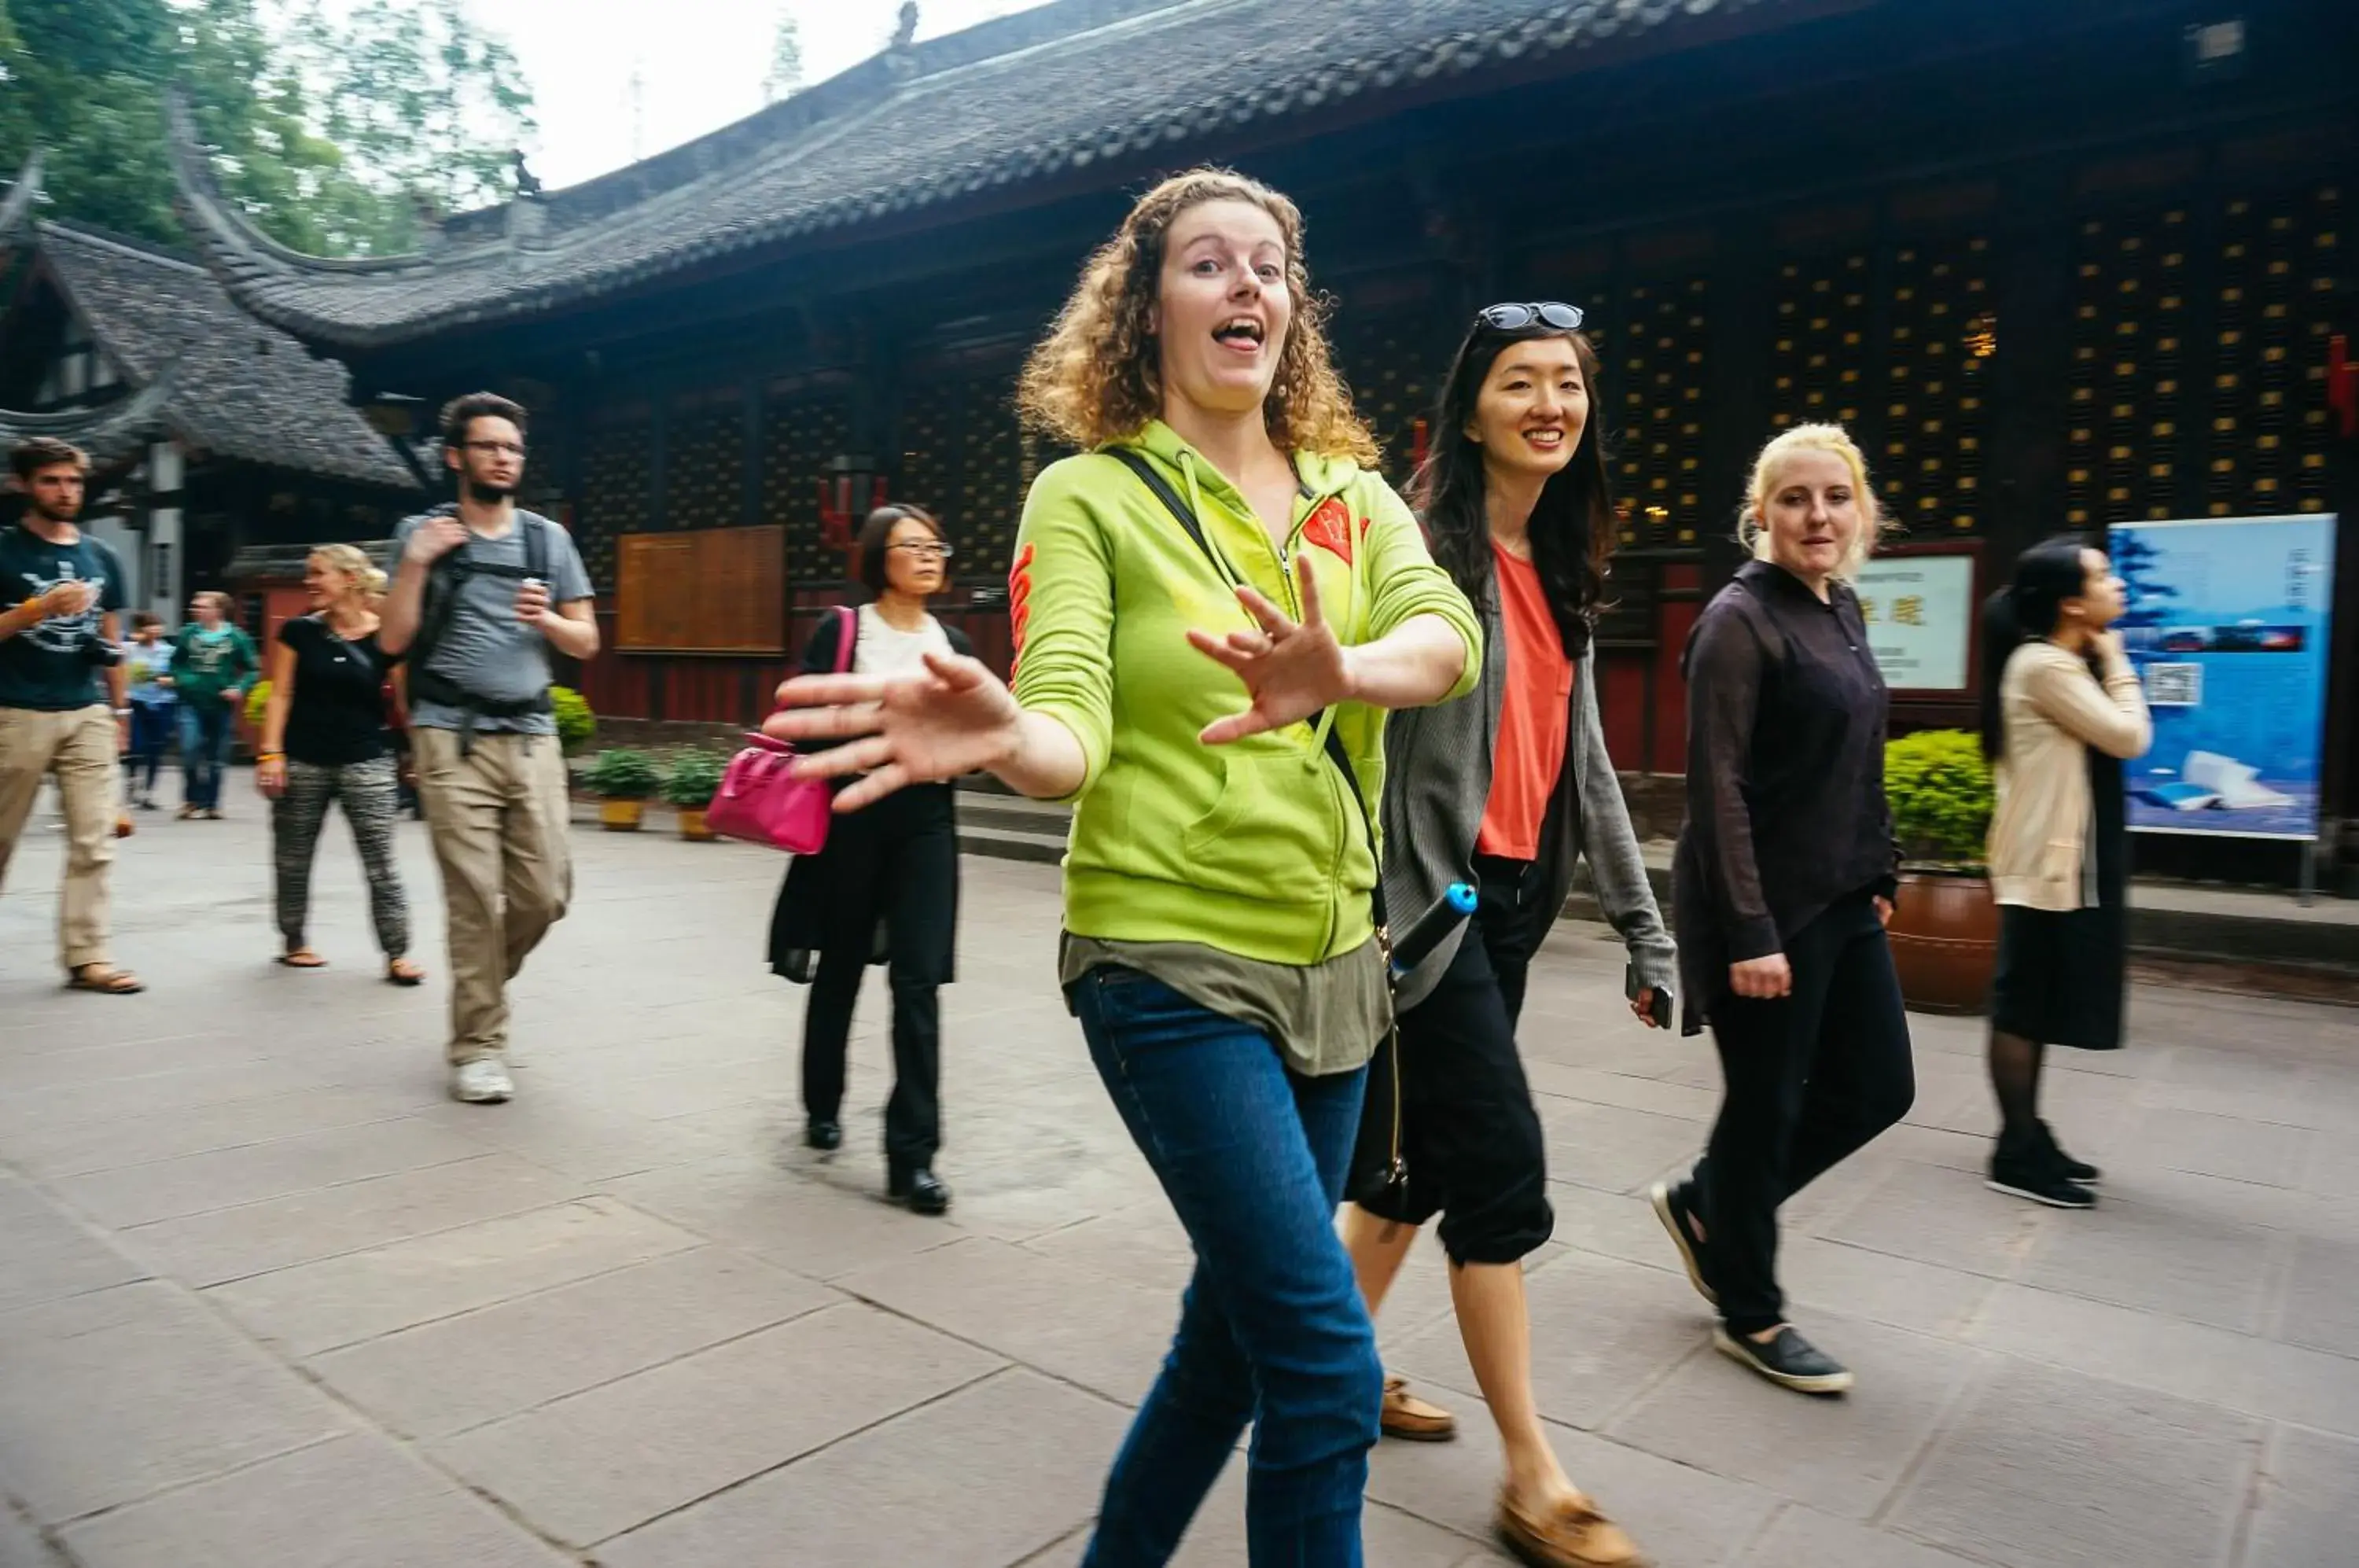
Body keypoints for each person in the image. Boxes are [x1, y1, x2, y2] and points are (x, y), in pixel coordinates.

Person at [765, 169, 1481, 1566]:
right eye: (1209, 264)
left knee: (1232, 1342)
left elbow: (1445, 637)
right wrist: (1004, 735)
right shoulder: (1084, 494)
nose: (1246, 287)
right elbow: (1072, 721)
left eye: (1270, 265)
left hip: (1337, 965)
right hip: (1165, 959)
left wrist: (1342, 666)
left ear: (1295, 310)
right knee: (1328, 1366)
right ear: (1145, 309)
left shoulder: (1350, 494)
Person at [1341, 305, 1673, 1568]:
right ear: (1469, 406)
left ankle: (1337, 1367)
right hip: (1434, 904)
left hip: (1521, 900)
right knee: (1499, 1170)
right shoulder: (1420, 553)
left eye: (1571, 383)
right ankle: (1534, 1477)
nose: (1551, 401)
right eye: (1522, 381)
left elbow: (1580, 757)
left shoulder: (1562, 561)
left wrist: (1645, 927)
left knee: (1414, 1169)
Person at [1653, 423, 1914, 1397]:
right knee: (1766, 1108)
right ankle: (1749, 1308)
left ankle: (1710, 1201)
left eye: (1836, 497)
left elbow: (1863, 747)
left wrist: (1883, 866)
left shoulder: (1839, 605)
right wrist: (1752, 933)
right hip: (1761, 908)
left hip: (1842, 894)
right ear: (1760, 512)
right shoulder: (1737, 620)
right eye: (1796, 498)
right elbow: (1716, 787)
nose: (1818, 515)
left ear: (1861, 509)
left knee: (1879, 1087)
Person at [377, 392, 598, 1104]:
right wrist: (414, 564)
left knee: (545, 895)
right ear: (456, 457)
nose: (504, 458)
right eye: (489, 446)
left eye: (513, 448)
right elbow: (390, 642)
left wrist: (551, 623)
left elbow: (588, 640)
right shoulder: (422, 533)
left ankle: (478, 985)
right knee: (474, 898)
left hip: (533, 735)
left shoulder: (546, 541)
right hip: (451, 736)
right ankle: (478, 1043)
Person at [768, 504, 972, 1214]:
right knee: (843, 968)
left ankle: (912, 1157)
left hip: (926, 822)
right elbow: (807, 726)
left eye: (934, 545)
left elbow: (973, 738)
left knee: (919, 984)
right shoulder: (845, 629)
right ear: (877, 558)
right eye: (909, 546)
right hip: (853, 814)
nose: (926, 556)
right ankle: (822, 1101)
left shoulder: (955, 642)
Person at [1980, 538, 2147, 1208]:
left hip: (2062, 859)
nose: (2119, 584)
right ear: (2071, 603)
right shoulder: (2043, 665)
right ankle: (2014, 1148)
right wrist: (2118, 658)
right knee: (2023, 1003)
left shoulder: (2056, 660)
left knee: (2039, 1000)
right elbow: (2129, 736)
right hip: (2044, 863)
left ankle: (2028, 1133)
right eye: (2104, 576)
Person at [0, 437, 142, 993]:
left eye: (73, 482)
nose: (65, 492)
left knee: (95, 839)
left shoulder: (101, 556)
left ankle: (88, 956)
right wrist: (38, 608)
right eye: (52, 481)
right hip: (15, 709)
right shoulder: (5, 549)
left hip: (86, 709)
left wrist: (120, 707)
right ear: (24, 485)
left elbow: (113, 639)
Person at [254, 543, 424, 985]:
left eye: (318, 573)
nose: (309, 582)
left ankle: (397, 953)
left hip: (368, 761)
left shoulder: (387, 637)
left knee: (382, 863)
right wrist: (270, 752)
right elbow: (281, 694)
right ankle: (294, 940)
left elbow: (404, 704)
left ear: (350, 578)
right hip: (303, 761)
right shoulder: (298, 632)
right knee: (292, 858)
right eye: (307, 573)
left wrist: (416, 754)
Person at [166, 590, 258, 820]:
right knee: (190, 749)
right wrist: (182, 678)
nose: (196, 609)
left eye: (203, 606)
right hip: (191, 701)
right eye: (195, 606)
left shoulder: (236, 637)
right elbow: (176, 663)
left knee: (217, 755)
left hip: (220, 703)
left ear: (218, 610)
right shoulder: (188, 633)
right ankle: (192, 799)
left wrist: (239, 688)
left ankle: (212, 802)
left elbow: (252, 668)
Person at [120, 611, 175, 809]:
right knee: (136, 745)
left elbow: (178, 674)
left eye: (158, 625)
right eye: (149, 625)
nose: (154, 629)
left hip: (163, 702)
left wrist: (170, 680)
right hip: (136, 701)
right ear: (140, 628)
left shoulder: (168, 651)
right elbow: (110, 642)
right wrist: (130, 637)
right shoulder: (129, 649)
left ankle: (148, 792)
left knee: (156, 747)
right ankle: (133, 783)